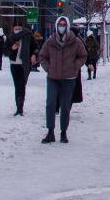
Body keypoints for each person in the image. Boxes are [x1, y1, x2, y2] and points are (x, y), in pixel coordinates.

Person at [37, 15, 88, 144]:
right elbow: (42, 56)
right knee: (51, 103)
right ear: (56, 26)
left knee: (65, 106)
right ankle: (50, 132)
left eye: (64, 25)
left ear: (68, 27)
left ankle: (63, 132)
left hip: (69, 78)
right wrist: (48, 68)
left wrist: (74, 66)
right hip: (53, 77)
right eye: (60, 25)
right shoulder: (50, 41)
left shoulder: (75, 41)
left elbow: (83, 55)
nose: (62, 27)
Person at [5, 23, 38, 116]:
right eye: (15, 28)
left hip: (24, 64)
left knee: (22, 85)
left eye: (18, 28)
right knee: (17, 86)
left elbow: (35, 47)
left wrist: (34, 54)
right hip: (14, 64)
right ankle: (18, 107)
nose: (17, 29)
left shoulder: (28, 35)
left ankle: (20, 108)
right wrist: (12, 48)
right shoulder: (10, 36)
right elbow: (5, 50)